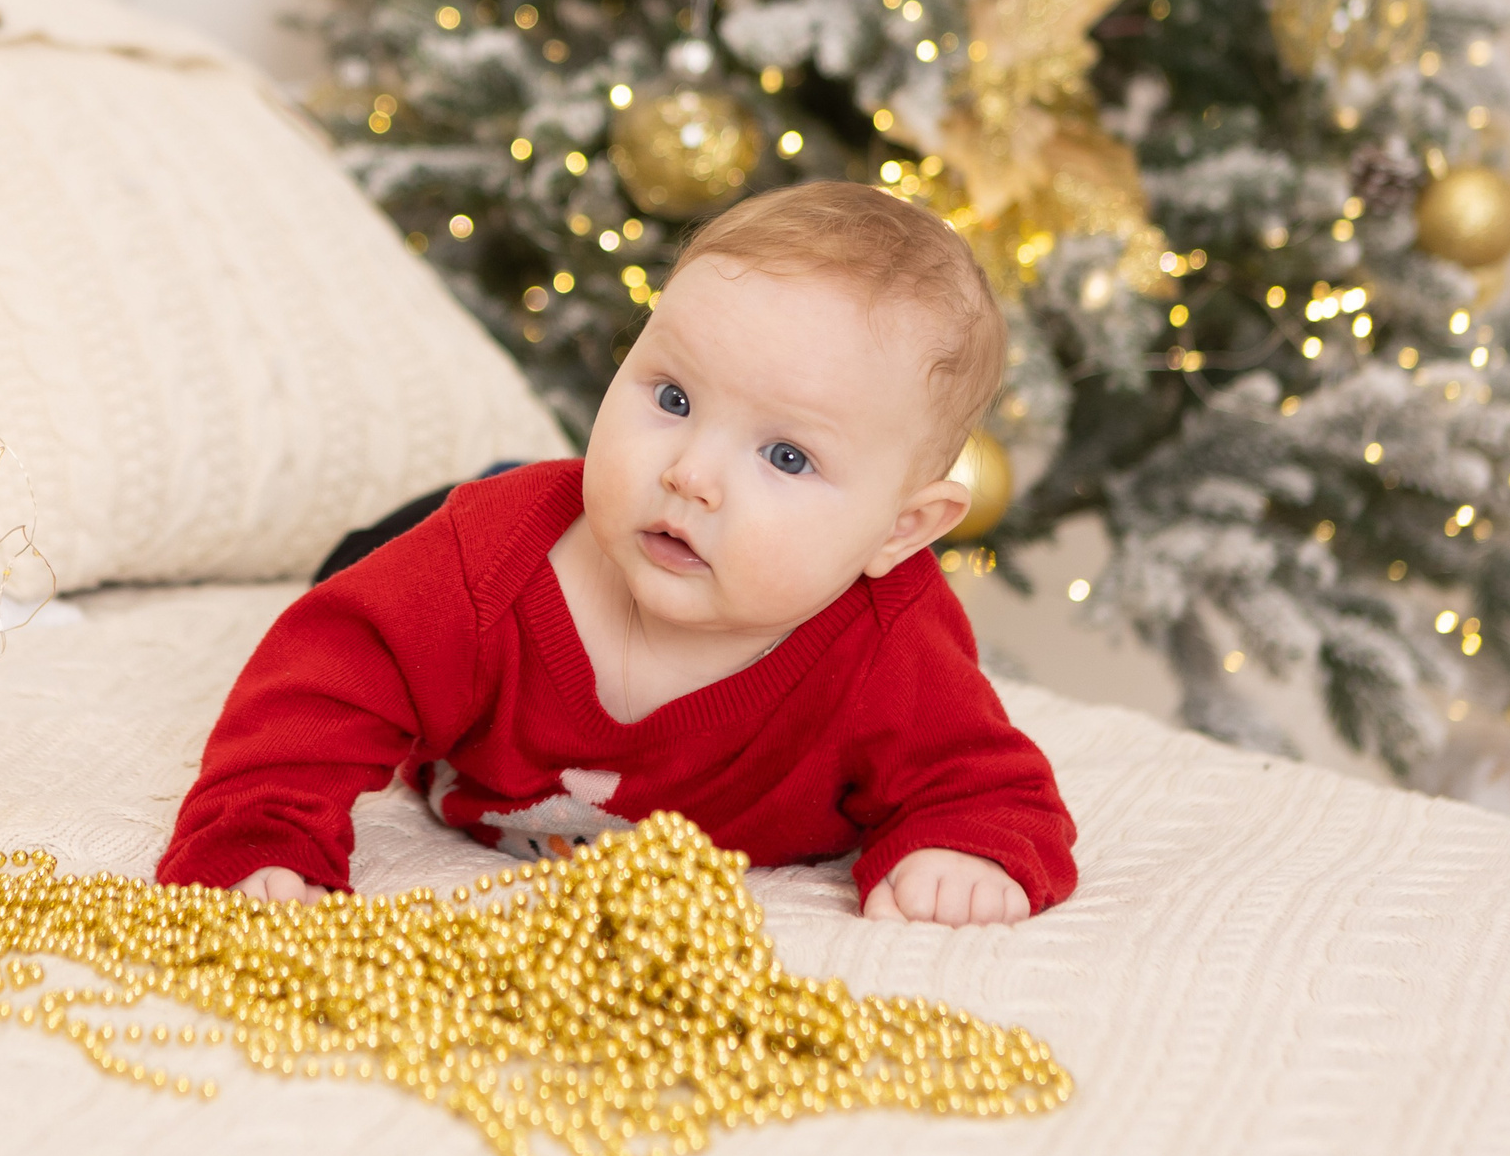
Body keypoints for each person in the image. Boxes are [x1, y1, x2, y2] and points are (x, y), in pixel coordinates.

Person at [156, 180, 1075, 925]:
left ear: (899, 531)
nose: (691, 474)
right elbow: (321, 684)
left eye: (786, 456)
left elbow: (986, 787)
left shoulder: (892, 638)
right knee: (383, 567)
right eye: (672, 399)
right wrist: (263, 835)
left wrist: (965, 848)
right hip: (505, 518)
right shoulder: (487, 564)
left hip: (590, 526)